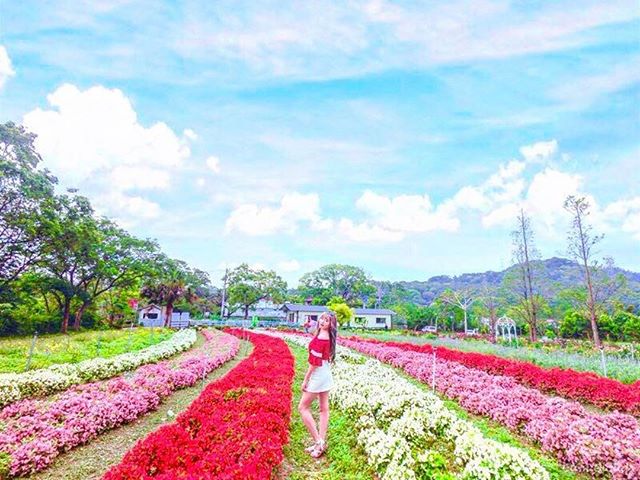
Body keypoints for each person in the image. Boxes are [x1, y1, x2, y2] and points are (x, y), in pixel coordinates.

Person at [298, 311, 337, 458]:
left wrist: (306, 379)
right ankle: (320, 442)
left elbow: (314, 364)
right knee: (323, 409)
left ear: (330, 324)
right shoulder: (328, 337)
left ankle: (318, 442)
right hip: (326, 372)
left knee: (302, 407)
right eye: (322, 318)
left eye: (326, 320)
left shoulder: (321, 337)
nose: (322, 321)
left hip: (318, 374)